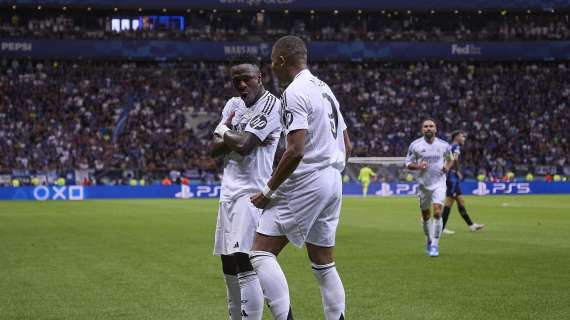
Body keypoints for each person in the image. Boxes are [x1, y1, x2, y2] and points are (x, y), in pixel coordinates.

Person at [249, 35, 352, 320]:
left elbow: (294, 151)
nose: (272, 68)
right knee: (323, 263)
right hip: (333, 180)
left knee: (260, 253)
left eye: (272, 62)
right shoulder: (325, 89)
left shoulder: (294, 92)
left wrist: (267, 191)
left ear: (282, 61)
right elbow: (348, 145)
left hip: (308, 180)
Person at [210, 55, 282, 319]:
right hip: (227, 193)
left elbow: (244, 145)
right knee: (227, 262)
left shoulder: (272, 105)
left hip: (251, 194)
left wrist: (223, 130)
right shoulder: (233, 104)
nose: (241, 84)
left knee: (245, 260)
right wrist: (229, 135)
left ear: (259, 77)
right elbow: (212, 150)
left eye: (246, 78)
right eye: (235, 80)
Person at [405, 119, 453, 257]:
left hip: (439, 183)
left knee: (437, 212)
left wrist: (447, 167)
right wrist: (418, 166)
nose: (428, 128)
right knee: (426, 216)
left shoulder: (444, 145)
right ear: (422, 129)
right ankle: (428, 240)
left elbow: (450, 159)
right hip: (423, 185)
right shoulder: (415, 145)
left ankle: (435, 244)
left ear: (435, 129)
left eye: (431, 126)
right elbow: (408, 163)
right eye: (426, 126)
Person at [441, 131, 485, 234]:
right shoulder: (456, 146)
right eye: (462, 137)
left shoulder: (449, 146)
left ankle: (471, 225)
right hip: (451, 177)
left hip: (451, 176)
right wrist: (456, 171)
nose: (464, 139)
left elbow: (447, 159)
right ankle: (441, 228)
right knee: (449, 202)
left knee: (460, 200)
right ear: (456, 137)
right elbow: (455, 159)